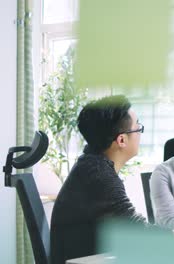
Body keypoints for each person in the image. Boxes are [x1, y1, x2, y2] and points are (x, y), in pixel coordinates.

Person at [50, 95, 147, 264]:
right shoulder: (98, 175)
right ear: (122, 140)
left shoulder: (91, 165)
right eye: (138, 127)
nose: (140, 131)